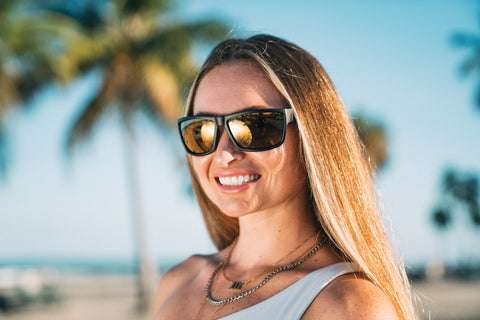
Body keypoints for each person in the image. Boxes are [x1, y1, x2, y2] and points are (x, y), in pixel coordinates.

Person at [153, 34, 417, 320]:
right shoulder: (178, 282)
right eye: (201, 129)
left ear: (312, 137)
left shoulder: (349, 306)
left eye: (256, 126)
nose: (223, 155)